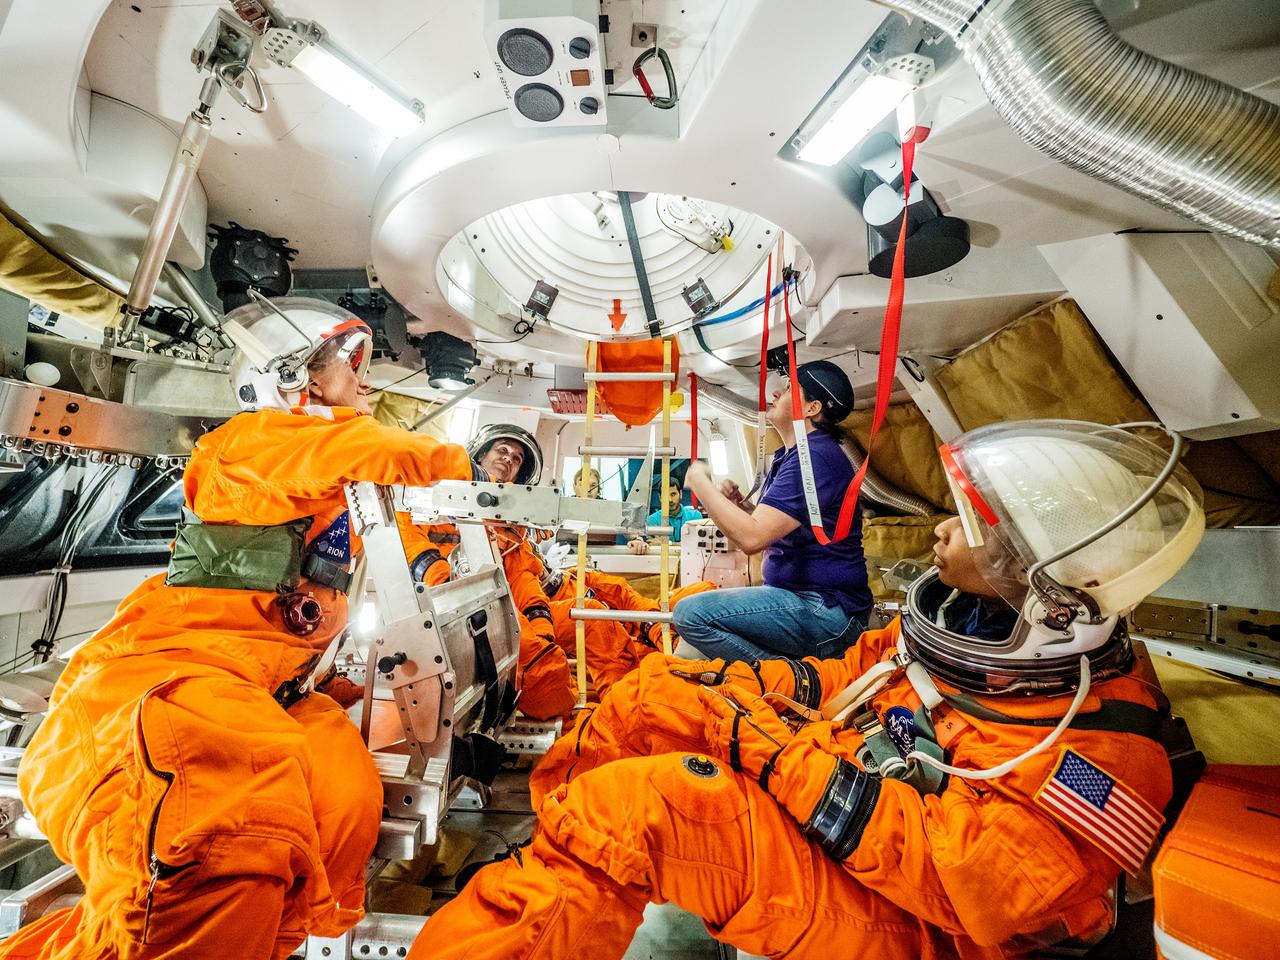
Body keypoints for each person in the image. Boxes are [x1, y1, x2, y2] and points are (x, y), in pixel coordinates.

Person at [410, 419, 1205, 960]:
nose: (938, 531)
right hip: (845, 802)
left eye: (964, 523)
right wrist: (735, 685)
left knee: (643, 809)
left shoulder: (1101, 753)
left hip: (920, 925)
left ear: (1032, 574)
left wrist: (764, 741)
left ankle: (572, 865)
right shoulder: (973, 632)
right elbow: (858, 670)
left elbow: (971, 885)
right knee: (655, 692)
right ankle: (561, 846)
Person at [2, 298, 477, 960]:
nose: (367, 379)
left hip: (266, 685)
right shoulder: (256, 442)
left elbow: (391, 495)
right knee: (221, 852)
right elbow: (399, 453)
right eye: (355, 361)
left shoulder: (322, 479)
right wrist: (471, 474)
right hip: (171, 683)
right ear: (299, 375)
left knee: (346, 804)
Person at [674, 360, 873, 662]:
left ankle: (787, 678)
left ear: (812, 407)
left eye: (791, 388)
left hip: (824, 610)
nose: (778, 393)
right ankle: (783, 672)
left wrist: (699, 482)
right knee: (694, 628)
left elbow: (753, 539)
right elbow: (779, 528)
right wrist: (743, 507)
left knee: (690, 614)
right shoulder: (795, 457)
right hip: (806, 601)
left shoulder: (816, 457)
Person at [627, 478, 704, 553]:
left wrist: (666, 543)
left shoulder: (695, 517)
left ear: (680, 494)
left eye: (673, 494)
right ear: (660, 497)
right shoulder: (652, 521)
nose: (670, 500)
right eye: (665, 495)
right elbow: (650, 546)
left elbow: (697, 545)